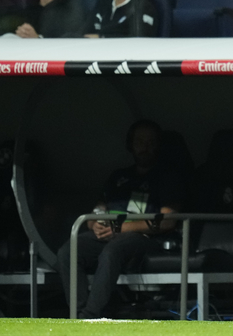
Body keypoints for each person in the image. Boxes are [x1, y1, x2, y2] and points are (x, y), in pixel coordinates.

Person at [56, 119, 184, 319]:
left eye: (151, 142)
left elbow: (168, 220)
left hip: (143, 238)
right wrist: (95, 224)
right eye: (140, 142)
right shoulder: (118, 176)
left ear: (159, 145)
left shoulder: (167, 176)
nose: (145, 148)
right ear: (130, 145)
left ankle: (90, 316)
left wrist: (121, 229)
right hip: (108, 233)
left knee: (112, 251)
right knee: (68, 252)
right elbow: (97, 210)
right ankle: (77, 315)